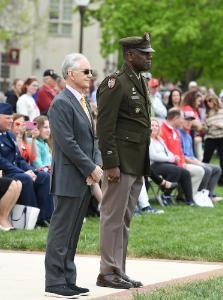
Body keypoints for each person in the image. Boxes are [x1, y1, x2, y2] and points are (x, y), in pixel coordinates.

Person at [96, 33, 153, 289]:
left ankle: (119, 269)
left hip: (135, 161)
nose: (149, 57)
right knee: (112, 218)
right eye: (145, 53)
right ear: (130, 55)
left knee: (125, 219)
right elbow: (105, 128)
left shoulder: (138, 81)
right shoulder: (115, 83)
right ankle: (107, 271)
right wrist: (110, 164)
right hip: (119, 163)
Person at [45, 53, 103, 298]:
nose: (91, 76)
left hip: (84, 177)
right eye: (86, 71)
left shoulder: (83, 101)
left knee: (73, 231)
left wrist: (96, 165)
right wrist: (91, 168)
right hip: (70, 177)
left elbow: (93, 139)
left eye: (91, 72)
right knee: (61, 231)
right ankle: (54, 282)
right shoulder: (61, 103)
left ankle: (68, 279)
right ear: (70, 74)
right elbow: (67, 143)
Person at [0, 103, 53, 226]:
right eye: (8, 118)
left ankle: (45, 216)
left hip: (15, 170)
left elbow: (19, 159)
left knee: (43, 176)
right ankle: (29, 220)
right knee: (26, 179)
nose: (11, 120)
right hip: (2, 173)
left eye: (11, 118)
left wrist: (31, 170)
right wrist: (24, 172)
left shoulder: (9, 134)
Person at [161, 109, 203, 205]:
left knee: (198, 170)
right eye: (181, 118)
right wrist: (180, 164)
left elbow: (179, 151)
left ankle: (189, 198)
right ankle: (185, 198)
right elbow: (166, 151)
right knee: (193, 171)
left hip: (177, 163)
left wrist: (182, 162)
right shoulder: (163, 130)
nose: (182, 121)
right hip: (166, 163)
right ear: (175, 118)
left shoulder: (175, 131)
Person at [179, 111, 223, 202]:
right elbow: (183, 156)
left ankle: (208, 194)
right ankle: (198, 195)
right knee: (207, 169)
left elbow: (191, 155)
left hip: (192, 161)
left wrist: (199, 162)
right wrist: (199, 164)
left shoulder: (188, 135)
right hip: (184, 163)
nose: (189, 122)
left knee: (217, 169)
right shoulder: (178, 134)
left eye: (191, 120)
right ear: (181, 121)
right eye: (186, 120)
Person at [150, 118, 194, 205]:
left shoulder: (159, 139)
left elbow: (167, 152)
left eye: (156, 126)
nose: (155, 127)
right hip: (153, 166)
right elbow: (152, 156)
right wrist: (169, 159)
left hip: (165, 164)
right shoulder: (148, 140)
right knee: (175, 170)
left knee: (185, 173)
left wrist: (174, 156)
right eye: (152, 125)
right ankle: (166, 196)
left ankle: (190, 200)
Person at [202, 94, 223, 186]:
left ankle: (222, 181)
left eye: (210, 100)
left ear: (215, 100)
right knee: (206, 159)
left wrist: (220, 125)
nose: (208, 103)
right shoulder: (207, 113)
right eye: (207, 101)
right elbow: (205, 129)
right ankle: (203, 178)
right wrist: (205, 126)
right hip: (211, 137)